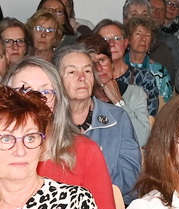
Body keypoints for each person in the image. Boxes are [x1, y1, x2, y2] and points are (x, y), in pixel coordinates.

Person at [0, 58, 119, 209]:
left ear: (58, 101)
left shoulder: (86, 151)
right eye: (24, 90)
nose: (34, 99)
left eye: (45, 91)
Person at [55, 42, 142, 195]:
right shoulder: (49, 121)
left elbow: (130, 175)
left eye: (87, 71)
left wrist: (90, 192)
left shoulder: (117, 118)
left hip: (112, 203)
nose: (82, 78)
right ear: (57, 80)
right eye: (72, 72)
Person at [125, 17, 176, 103]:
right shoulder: (117, 66)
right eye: (138, 33)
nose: (143, 39)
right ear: (128, 39)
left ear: (151, 42)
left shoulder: (159, 71)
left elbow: (168, 105)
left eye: (147, 35)